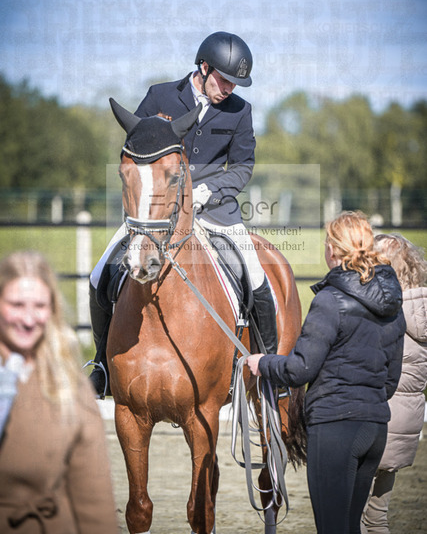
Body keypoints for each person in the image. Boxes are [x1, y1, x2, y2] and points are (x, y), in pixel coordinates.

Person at [89, 31, 278, 396]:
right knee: (100, 274)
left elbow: (243, 167)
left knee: (256, 277)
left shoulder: (240, 111)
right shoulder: (159, 96)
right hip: (156, 209)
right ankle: (102, 365)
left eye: (236, 83)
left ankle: (269, 371)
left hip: (214, 209)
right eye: (224, 79)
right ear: (203, 67)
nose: (229, 89)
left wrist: (208, 191)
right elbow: (133, 152)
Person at [246, 211, 406, 534]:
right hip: (375, 429)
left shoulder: (330, 301)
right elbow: (391, 379)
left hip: (335, 430)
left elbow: (299, 369)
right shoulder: (392, 304)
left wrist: (262, 363)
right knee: (350, 526)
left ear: (333, 250)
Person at [0, 251, 118, 533]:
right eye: (17, 305)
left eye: (40, 306)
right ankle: (102, 361)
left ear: (52, 310)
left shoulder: (73, 395)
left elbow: (95, 505)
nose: (28, 319)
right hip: (139, 228)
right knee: (99, 275)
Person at [361, 233, 427, 534]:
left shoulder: (387, 310)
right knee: (377, 518)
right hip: (407, 422)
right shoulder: (421, 310)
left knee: (352, 514)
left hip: (378, 417)